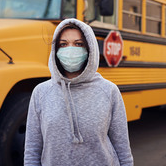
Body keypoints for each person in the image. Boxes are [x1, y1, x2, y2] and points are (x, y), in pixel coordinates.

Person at [24, 18, 134, 166]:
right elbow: (32, 151)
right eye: (63, 44)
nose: (70, 49)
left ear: (90, 49)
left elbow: (123, 151)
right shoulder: (41, 93)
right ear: (55, 50)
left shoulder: (109, 91)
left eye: (78, 44)